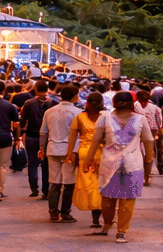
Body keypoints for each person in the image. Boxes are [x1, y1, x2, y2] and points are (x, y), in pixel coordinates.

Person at [82, 90, 155, 243]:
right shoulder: (138, 119)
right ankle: (119, 230)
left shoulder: (105, 118)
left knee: (108, 199)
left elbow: (95, 142)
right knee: (125, 201)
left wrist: (88, 160)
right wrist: (150, 156)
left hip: (112, 164)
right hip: (131, 165)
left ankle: (111, 227)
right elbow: (148, 141)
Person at [40, 84, 82, 222]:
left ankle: (53, 212)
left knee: (54, 182)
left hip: (52, 148)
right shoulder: (78, 112)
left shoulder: (50, 111)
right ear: (74, 96)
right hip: (71, 150)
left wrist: (41, 149)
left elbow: (43, 133)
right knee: (69, 183)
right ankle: (65, 212)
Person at [68, 91, 107, 228]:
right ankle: (105, 215)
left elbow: (72, 139)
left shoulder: (79, 117)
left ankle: (95, 219)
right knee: (103, 184)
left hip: (85, 154)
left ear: (88, 103)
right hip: (103, 153)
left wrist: (69, 155)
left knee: (90, 187)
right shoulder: (106, 117)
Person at [21, 80, 55, 198]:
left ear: (35, 89)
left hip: (32, 136)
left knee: (32, 164)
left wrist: (20, 133)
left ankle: (34, 188)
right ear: (47, 89)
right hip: (49, 137)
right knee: (46, 165)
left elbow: (23, 120)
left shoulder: (29, 103)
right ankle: (46, 190)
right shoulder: (53, 103)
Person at [133, 89, 163, 184]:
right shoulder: (133, 106)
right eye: (141, 101)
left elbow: (159, 119)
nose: (143, 104)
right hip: (137, 130)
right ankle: (142, 173)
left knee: (149, 152)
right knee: (138, 152)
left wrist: (159, 130)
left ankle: (147, 175)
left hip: (152, 130)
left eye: (144, 102)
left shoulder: (154, 108)